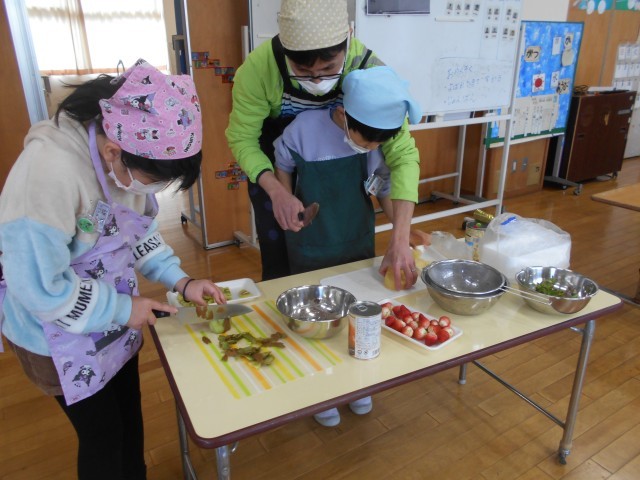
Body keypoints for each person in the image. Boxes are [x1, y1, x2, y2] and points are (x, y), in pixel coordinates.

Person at [0, 59, 226, 480]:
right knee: (102, 436)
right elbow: (37, 286)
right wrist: (123, 309)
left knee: (128, 416)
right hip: (56, 332)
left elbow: (138, 233)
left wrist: (183, 281)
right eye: (153, 181)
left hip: (115, 317)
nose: (151, 192)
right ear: (112, 152)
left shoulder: (125, 157)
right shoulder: (48, 173)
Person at [226, 0, 422, 289]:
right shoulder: (258, 70)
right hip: (276, 161)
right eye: (303, 71)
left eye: (329, 68)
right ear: (285, 51)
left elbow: (402, 156)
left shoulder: (371, 71)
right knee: (279, 248)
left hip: (343, 162)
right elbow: (243, 138)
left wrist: (400, 237)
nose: (317, 80)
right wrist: (277, 191)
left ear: (348, 39)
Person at [273, 65, 422, 426]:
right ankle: (322, 391)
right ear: (342, 115)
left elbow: (382, 185)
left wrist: (401, 233)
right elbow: (282, 163)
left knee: (359, 311)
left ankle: (356, 385)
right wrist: (288, 200)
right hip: (311, 242)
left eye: (376, 145)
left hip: (356, 237)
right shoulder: (303, 130)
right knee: (316, 321)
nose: (370, 149)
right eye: (366, 142)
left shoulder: (374, 139)